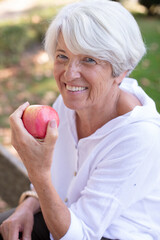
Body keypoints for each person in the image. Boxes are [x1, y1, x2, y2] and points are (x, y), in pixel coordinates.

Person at [0, 0, 160, 239]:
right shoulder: (69, 104)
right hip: (70, 215)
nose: (69, 74)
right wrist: (27, 204)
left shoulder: (140, 137)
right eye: (62, 56)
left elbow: (81, 235)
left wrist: (36, 171)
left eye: (89, 60)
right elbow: (57, 182)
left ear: (121, 71)